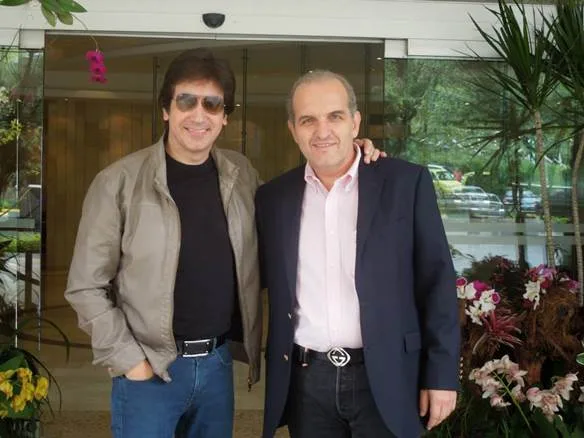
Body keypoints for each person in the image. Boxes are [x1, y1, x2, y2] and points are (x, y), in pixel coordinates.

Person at [65, 49, 383, 438]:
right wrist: (130, 360)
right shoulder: (118, 182)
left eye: (212, 104)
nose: (199, 115)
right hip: (149, 368)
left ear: (225, 116)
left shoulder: (241, 175)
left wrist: (351, 154)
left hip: (217, 367)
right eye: (186, 101)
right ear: (166, 109)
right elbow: (85, 286)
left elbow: (296, 212)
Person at [256, 70, 460, 438]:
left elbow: (437, 282)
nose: (322, 131)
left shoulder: (405, 183)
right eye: (308, 120)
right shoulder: (273, 198)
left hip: (387, 376)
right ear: (293, 130)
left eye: (334, 116)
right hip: (307, 385)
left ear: (355, 122)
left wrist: (441, 375)